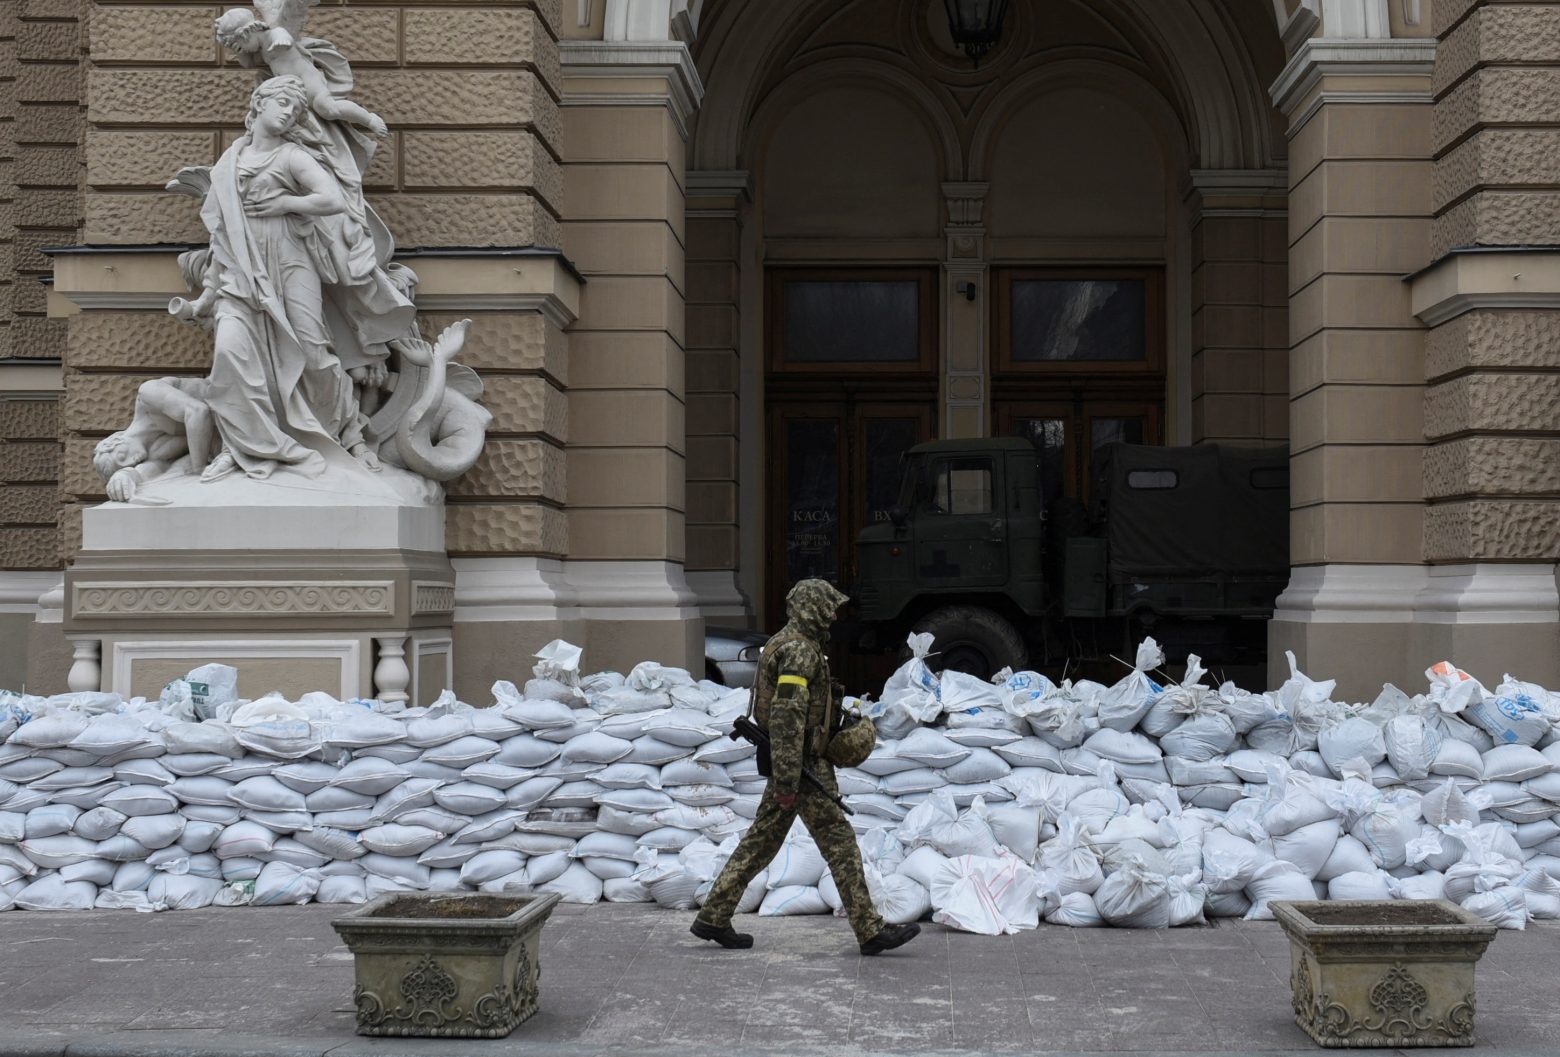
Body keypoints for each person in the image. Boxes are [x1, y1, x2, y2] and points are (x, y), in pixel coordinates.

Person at [193, 75, 413, 481]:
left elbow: (330, 199)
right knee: (230, 355)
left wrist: (284, 202)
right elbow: (219, 236)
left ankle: (349, 436)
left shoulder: (292, 156)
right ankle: (241, 446)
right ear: (259, 103)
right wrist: (207, 293)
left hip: (293, 263)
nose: (289, 112)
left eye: (295, 109)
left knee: (313, 353)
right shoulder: (230, 162)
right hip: (242, 274)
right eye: (282, 104)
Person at [691, 578, 920, 956]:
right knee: (840, 843)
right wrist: (786, 779)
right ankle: (869, 930)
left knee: (760, 843)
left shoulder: (793, 642)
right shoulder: (799, 650)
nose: (833, 615)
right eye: (829, 607)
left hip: (797, 762)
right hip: (801, 765)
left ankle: (714, 915)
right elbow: (786, 718)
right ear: (813, 609)